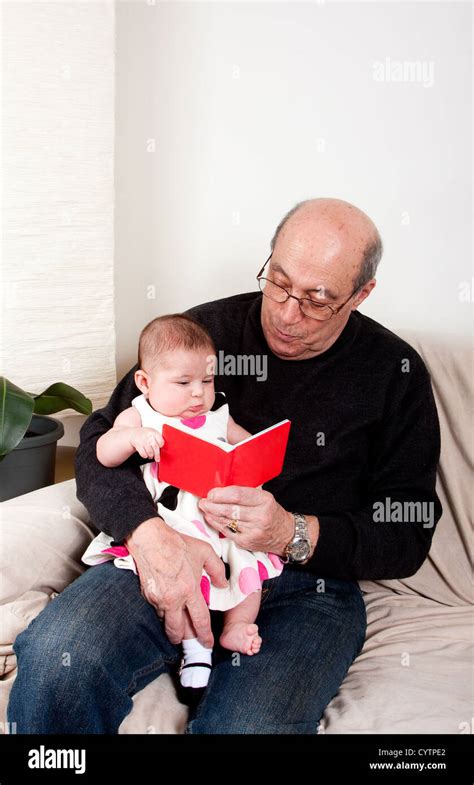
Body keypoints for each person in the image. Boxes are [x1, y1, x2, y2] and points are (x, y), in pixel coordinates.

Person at [7, 197, 442, 734]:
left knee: (249, 728)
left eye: (316, 300)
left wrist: (292, 533)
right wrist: (149, 538)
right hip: (173, 548)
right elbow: (101, 443)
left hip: (307, 588)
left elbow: (408, 530)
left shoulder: (393, 372)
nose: (285, 313)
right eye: (278, 282)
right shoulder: (201, 334)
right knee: (57, 660)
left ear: (361, 294)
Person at [81, 313, 285, 694]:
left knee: (251, 569)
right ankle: (196, 649)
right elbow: (102, 453)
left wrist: (250, 455)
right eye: (183, 382)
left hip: (221, 523)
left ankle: (238, 625)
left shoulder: (216, 416)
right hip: (174, 526)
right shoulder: (139, 414)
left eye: (207, 381)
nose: (197, 394)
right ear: (145, 382)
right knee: (186, 581)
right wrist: (133, 439)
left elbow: (246, 447)